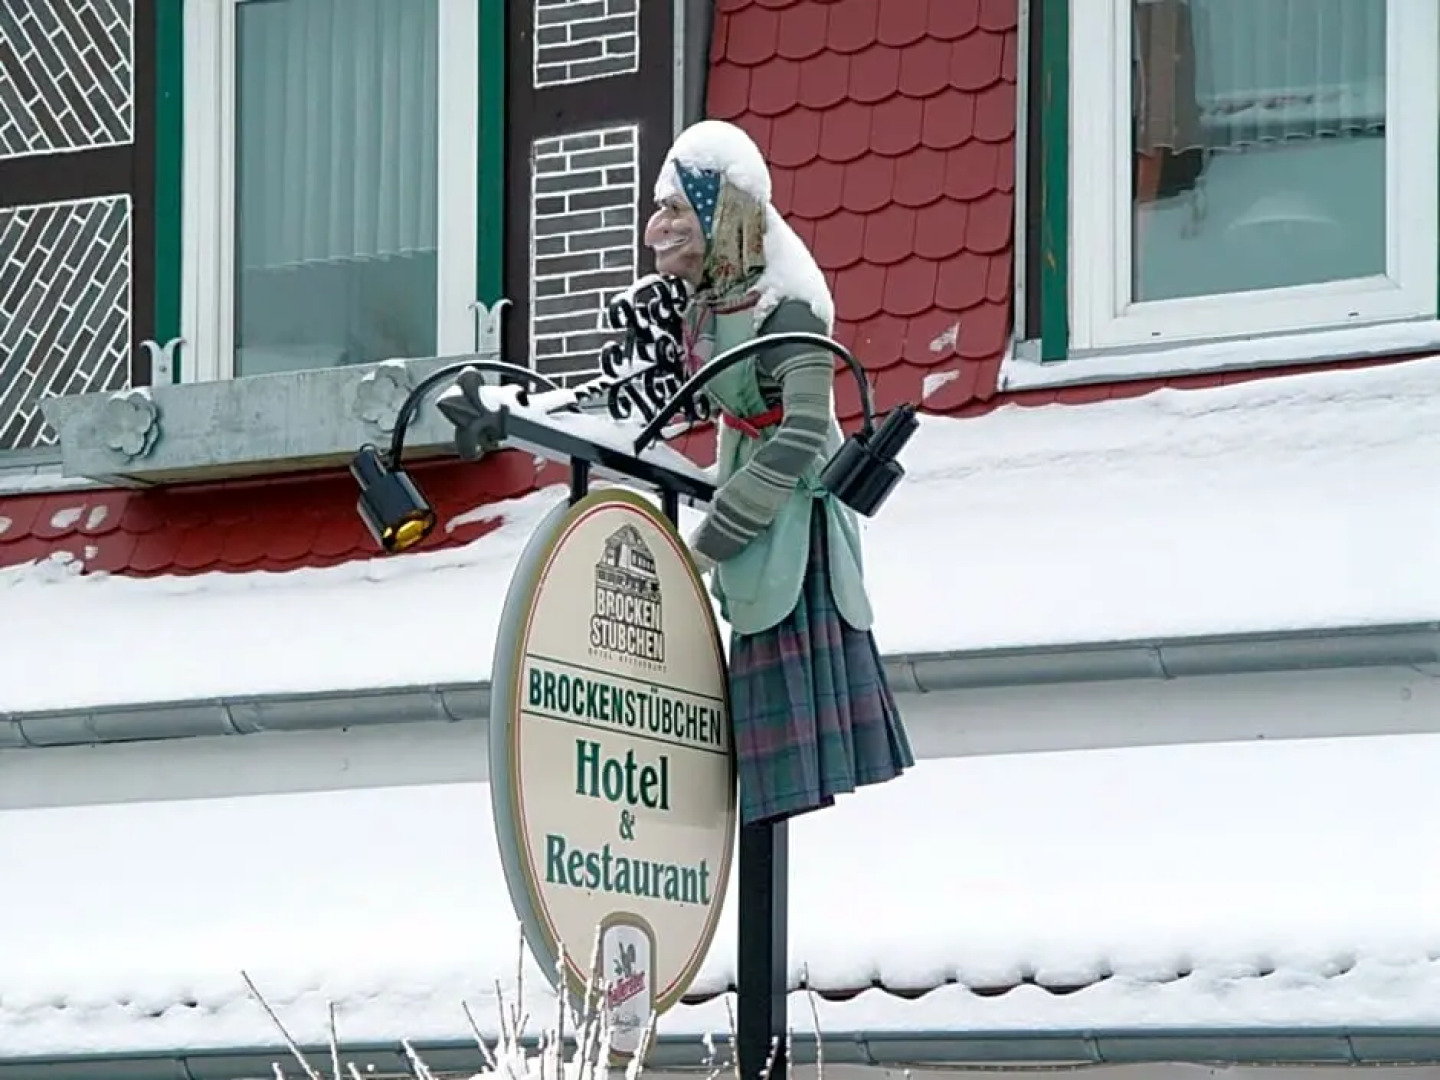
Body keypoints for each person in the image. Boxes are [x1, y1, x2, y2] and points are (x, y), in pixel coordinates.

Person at [641, 119, 914, 828]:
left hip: (793, 516)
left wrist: (716, 534)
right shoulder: (713, 302)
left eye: (676, 209)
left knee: (774, 624)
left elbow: (799, 433)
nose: (657, 228)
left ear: (719, 214)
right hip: (756, 493)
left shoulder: (788, 307)